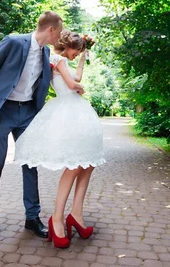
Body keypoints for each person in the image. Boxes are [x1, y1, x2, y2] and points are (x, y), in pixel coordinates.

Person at [0, 11, 64, 243]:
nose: (60, 36)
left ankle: (32, 218)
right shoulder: (13, 41)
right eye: (60, 31)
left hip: (27, 114)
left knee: (30, 165)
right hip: (2, 112)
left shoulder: (46, 52)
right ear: (51, 30)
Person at [14, 30, 105, 248]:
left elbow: (77, 78)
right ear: (68, 46)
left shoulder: (66, 60)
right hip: (67, 112)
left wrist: (82, 61)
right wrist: (79, 89)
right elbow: (73, 85)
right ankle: (57, 218)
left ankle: (76, 215)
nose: (77, 54)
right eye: (77, 51)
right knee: (73, 166)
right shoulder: (57, 58)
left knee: (88, 163)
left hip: (76, 110)